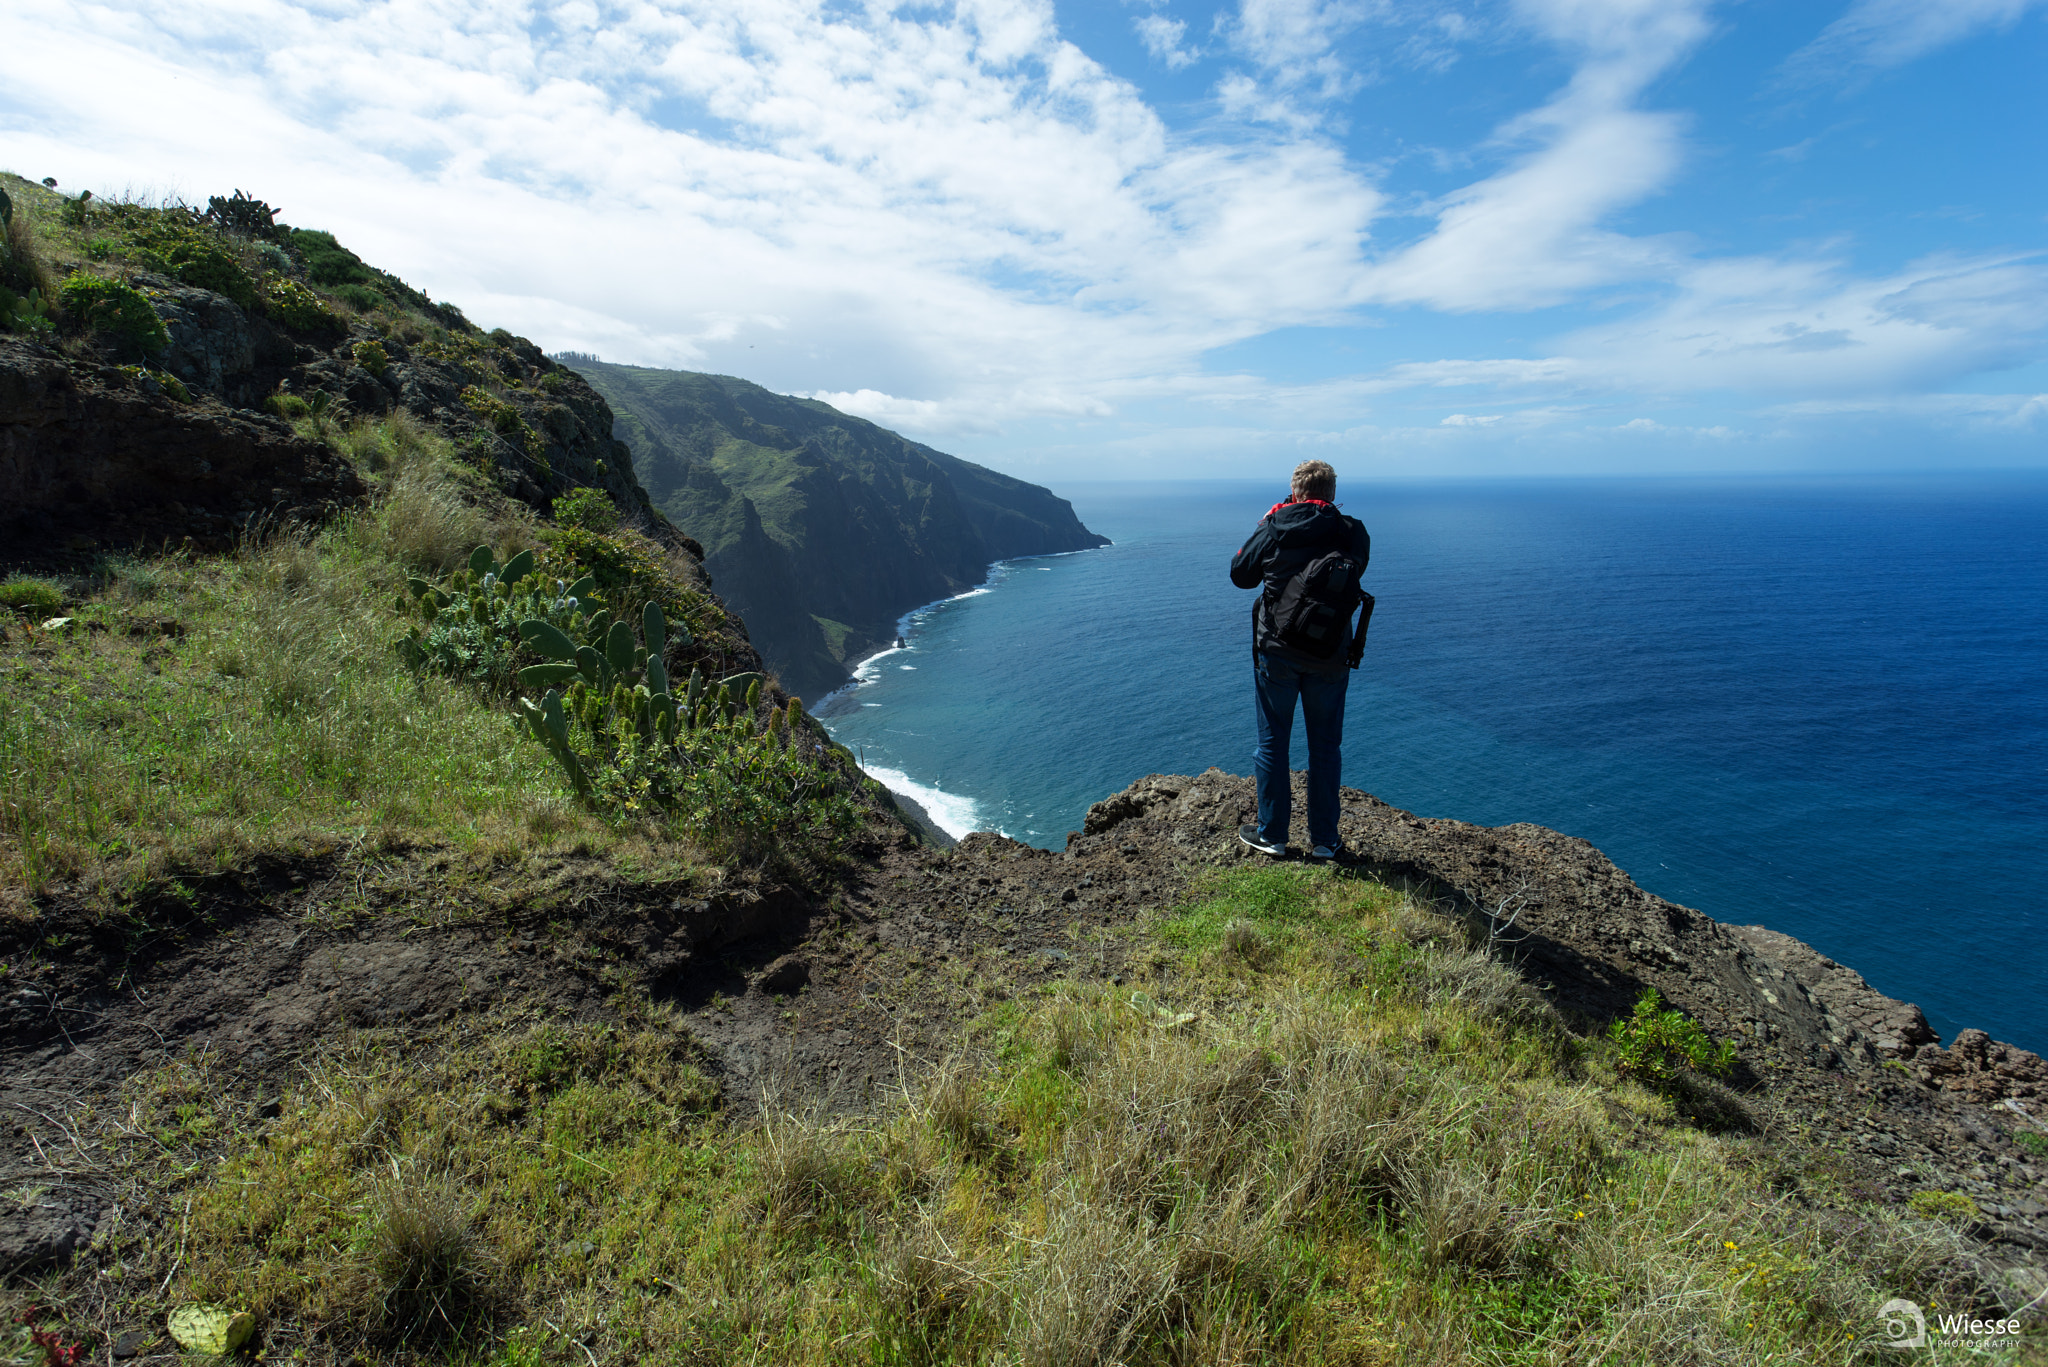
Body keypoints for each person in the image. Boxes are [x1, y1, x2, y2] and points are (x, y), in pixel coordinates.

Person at [1228, 459, 1370, 860]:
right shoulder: (1352, 531)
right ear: (1333, 494)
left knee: (1273, 743)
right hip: (1330, 655)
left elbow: (1241, 575)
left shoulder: (1276, 526)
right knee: (1326, 747)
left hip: (1278, 653)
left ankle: (1273, 835)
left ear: (1295, 492)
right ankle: (1325, 841)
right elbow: (1356, 570)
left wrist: (1269, 523)